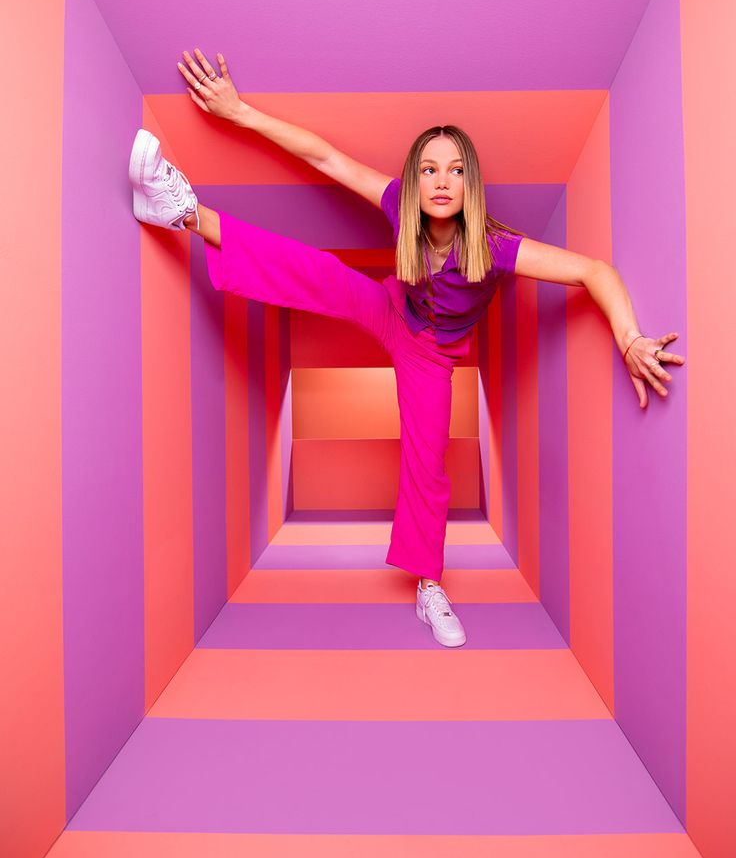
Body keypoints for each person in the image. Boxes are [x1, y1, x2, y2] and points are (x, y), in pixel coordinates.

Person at [128, 48, 686, 648]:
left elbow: (594, 271)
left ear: (470, 183)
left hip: (434, 356)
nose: (440, 181)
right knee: (319, 273)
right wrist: (239, 112)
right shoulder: (400, 206)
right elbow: (325, 158)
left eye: (454, 170)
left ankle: (428, 586)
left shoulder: (495, 246)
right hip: (392, 310)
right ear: (414, 179)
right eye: (428, 169)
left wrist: (628, 336)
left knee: (428, 458)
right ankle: (180, 210)